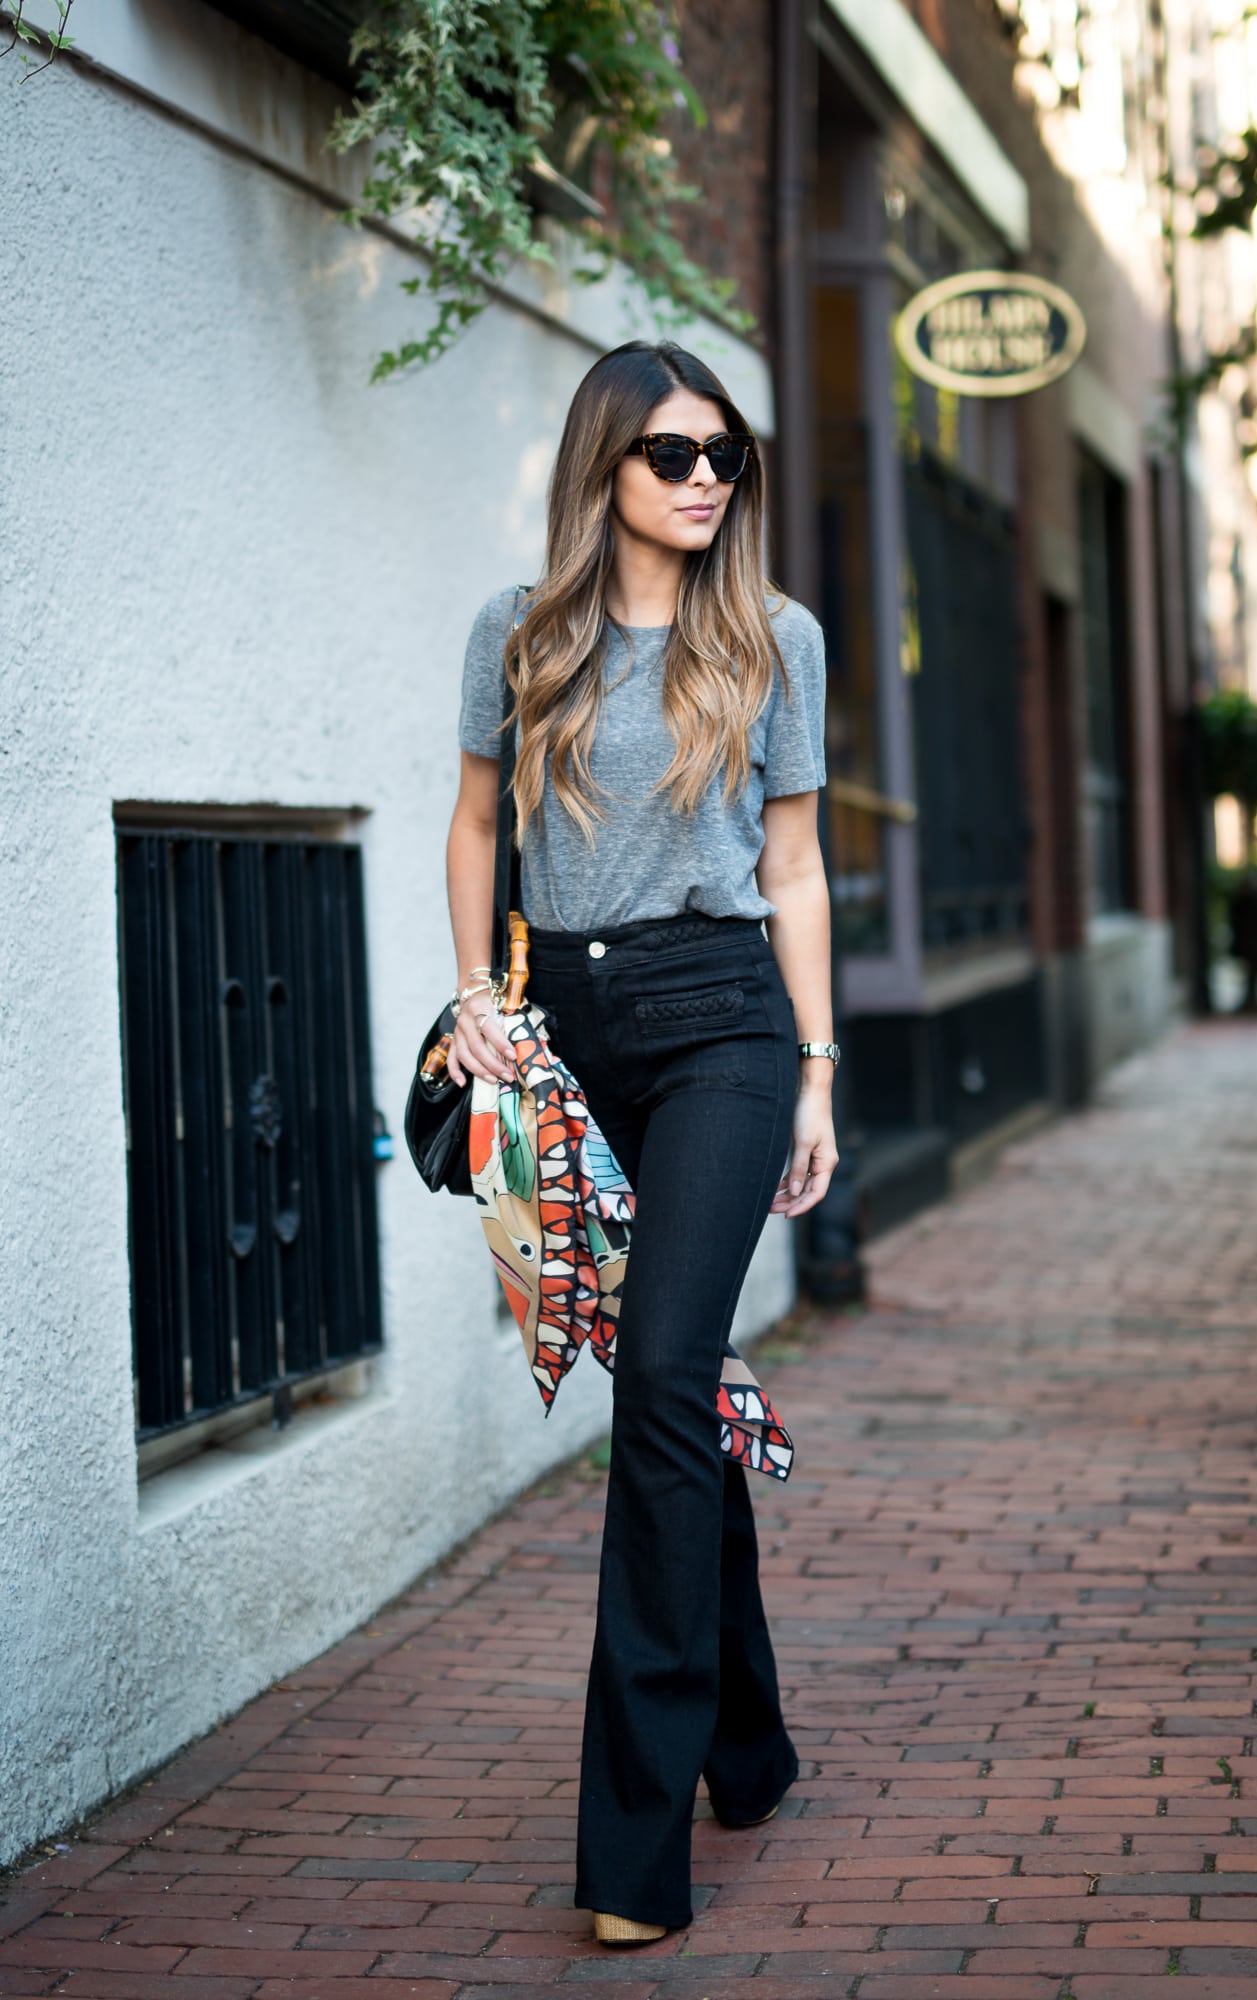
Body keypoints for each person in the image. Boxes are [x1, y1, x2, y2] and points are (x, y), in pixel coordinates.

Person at [443, 338, 838, 1945]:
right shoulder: (520, 633)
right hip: (572, 1042)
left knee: (666, 1375)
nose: (703, 482)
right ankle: (747, 1743)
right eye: (673, 454)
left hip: (725, 1020)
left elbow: (796, 866)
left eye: (723, 458)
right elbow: (479, 822)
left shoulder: (774, 639)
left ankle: (630, 1850)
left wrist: (815, 1071)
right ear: (602, 462)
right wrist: (475, 995)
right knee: (670, 1388)